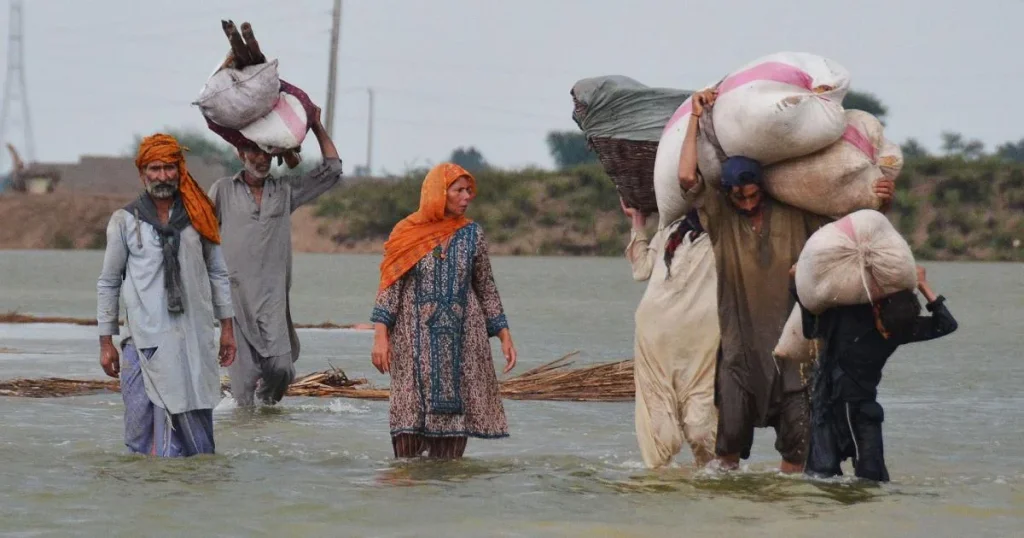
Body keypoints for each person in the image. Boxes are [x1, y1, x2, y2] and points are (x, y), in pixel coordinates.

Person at [676, 89, 896, 472]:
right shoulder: (721, 219)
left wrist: (881, 198)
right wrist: (695, 118)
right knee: (725, 457)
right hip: (739, 354)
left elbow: (857, 223)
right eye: (738, 198)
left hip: (796, 355)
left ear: (763, 188)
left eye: (752, 196)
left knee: (796, 458)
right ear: (727, 196)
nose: (746, 204)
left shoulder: (798, 212)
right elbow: (684, 176)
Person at [97, 134, 236, 457]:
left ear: (180, 170)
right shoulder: (125, 221)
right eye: (155, 169)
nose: (162, 176)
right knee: (139, 430)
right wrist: (106, 341)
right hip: (144, 340)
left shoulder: (200, 217)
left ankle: (195, 488)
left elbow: (218, 273)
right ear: (143, 173)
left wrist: (227, 329)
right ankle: (150, 493)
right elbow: (108, 282)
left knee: (197, 425)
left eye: (169, 168)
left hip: (193, 337)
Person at [370, 163, 517, 459]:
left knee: (451, 449)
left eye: (469, 190)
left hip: (462, 343)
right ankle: (409, 502)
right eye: (459, 190)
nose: (467, 196)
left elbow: (485, 286)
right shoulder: (407, 233)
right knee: (407, 429)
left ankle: (448, 497)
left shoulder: (472, 235)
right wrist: (380, 336)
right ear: (439, 193)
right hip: (412, 343)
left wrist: (503, 333)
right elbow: (389, 286)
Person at [208, 105, 343, 408]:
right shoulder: (223, 191)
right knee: (242, 394)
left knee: (282, 371)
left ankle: (268, 417)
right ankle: (248, 444)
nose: (260, 158)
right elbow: (199, 234)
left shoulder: (284, 192)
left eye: (266, 152)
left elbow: (333, 170)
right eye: (253, 151)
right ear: (239, 154)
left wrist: (318, 126)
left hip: (273, 302)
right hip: (235, 303)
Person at [794, 264, 958, 482]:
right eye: (884, 328)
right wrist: (796, 284)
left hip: (863, 407)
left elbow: (947, 324)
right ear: (876, 310)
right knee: (821, 474)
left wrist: (924, 285)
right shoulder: (849, 315)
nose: (887, 334)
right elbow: (811, 329)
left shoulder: (903, 327)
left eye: (891, 332)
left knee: (873, 479)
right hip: (828, 406)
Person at [622, 200, 720, 468]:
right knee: (661, 434)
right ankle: (661, 493)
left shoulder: (730, 232)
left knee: (701, 431)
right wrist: (638, 223)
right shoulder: (671, 230)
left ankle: (707, 489)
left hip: (702, 341)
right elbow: (641, 269)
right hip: (656, 337)